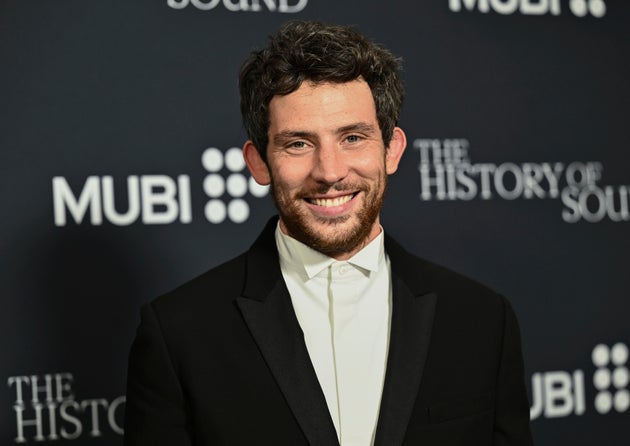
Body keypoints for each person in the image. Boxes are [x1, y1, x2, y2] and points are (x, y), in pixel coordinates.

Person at [124, 20, 533, 446]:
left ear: (391, 150)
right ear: (259, 162)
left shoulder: (482, 320)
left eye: (352, 137)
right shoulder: (179, 334)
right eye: (298, 144)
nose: (330, 172)